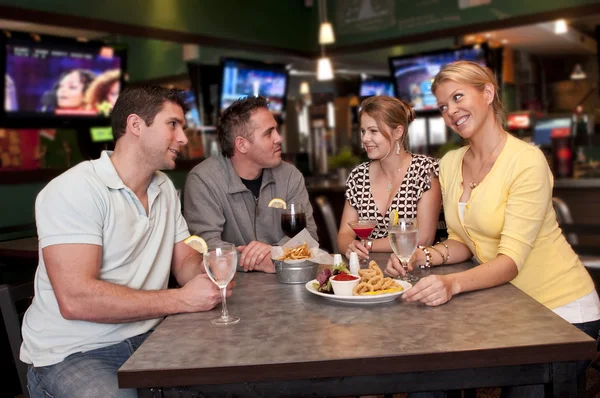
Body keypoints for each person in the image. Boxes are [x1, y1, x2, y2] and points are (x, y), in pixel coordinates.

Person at [386, 61, 600, 396]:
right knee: (428, 379)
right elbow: (462, 240)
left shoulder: (526, 161)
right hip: (510, 307)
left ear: (488, 93)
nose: (451, 112)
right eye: (443, 106)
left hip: (562, 312)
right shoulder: (451, 163)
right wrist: (423, 255)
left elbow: (510, 261)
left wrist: (450, 284)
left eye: (458, 97)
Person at [21, 86, 234, 398]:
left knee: (226, 377)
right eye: (173, 125)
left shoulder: (164, 188)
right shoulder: (75, 189)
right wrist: (181, 300)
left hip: (148, 335)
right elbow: (76, 299)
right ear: (136, 125)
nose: (184, 139)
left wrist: (212, 272)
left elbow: (185, 263)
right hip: (73, 353)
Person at [184, 96, 318, 273]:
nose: (279, 138)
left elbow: (309, 236)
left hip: (286, 284)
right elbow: (206, 247)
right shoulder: (204, 180)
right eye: (269, 133)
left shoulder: (290, 176)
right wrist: (263, 261)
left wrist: (275, 253)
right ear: (242, 144)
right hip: (232, 290)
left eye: (276, 130)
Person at [338, 96, 441, 260]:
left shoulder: (424, 170)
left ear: (398, 132)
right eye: (363, 131)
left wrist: (368, 245)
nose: (364, 139)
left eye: (373, 131)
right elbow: (344, 234)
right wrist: (350, 246)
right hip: (369, 273)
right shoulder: (358, 176)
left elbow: (424, 238)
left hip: (413, 269)